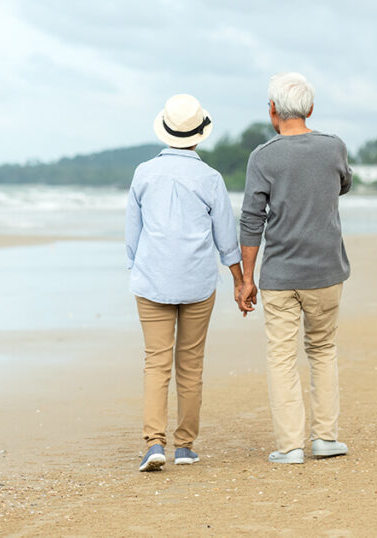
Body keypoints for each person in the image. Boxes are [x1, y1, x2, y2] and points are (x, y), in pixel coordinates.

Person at [236, 72, 353, 464]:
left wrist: (246, 279)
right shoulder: (334, 147)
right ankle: (325, 438)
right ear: (310, 108)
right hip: (326, 271)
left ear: (272, 110)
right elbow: (344, 185)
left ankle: (289, 446)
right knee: (322, 350)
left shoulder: (263, 157)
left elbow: (252, 220)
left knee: (281, 357)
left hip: (280, 276)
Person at [126, 94, 243, 472]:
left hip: (152, 280)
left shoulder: (144, 172)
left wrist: (138, 268)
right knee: (190, 364)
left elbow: (133, 234)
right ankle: (186, 446)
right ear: (198, 134)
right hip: (197, 281)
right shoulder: (210, 178)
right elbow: (227, 238)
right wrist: (241, 281)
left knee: (156, 362)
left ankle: (153, 443)